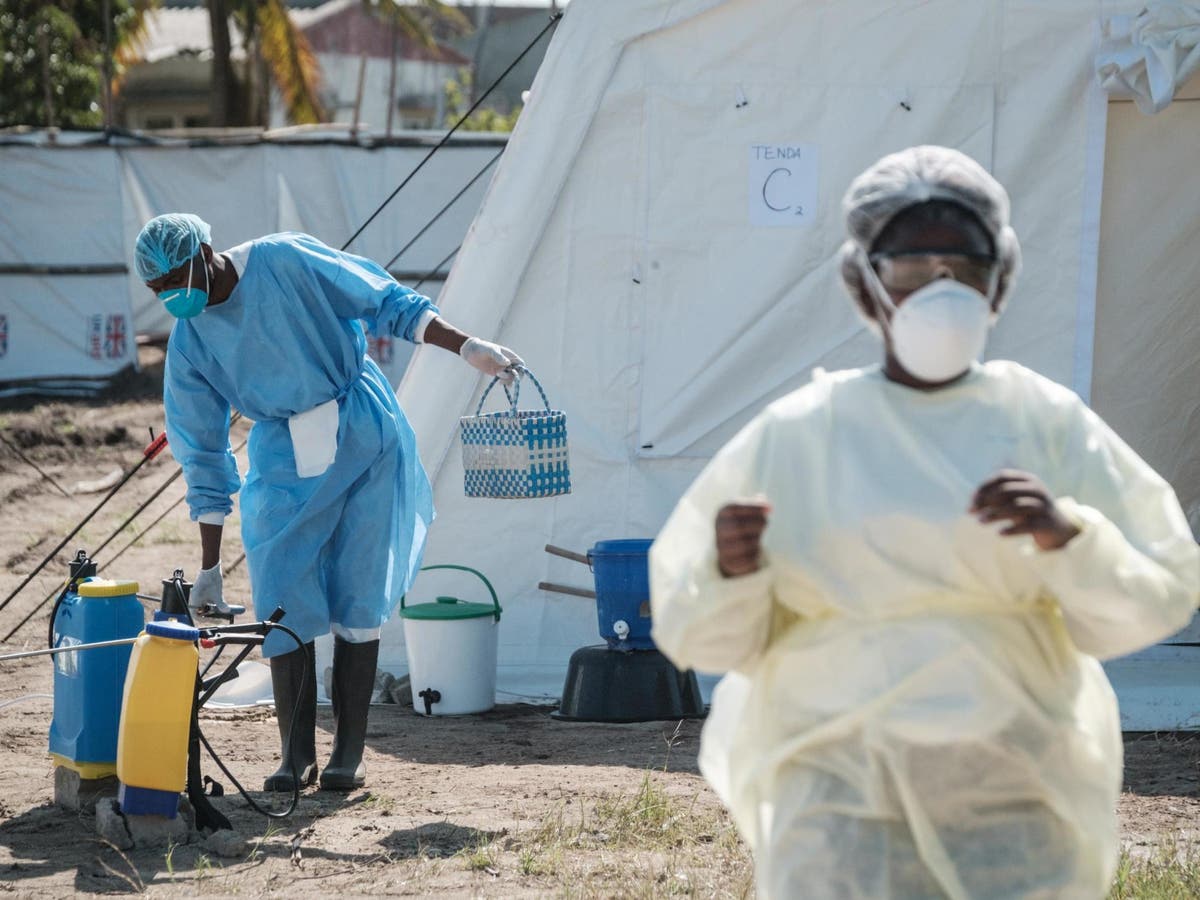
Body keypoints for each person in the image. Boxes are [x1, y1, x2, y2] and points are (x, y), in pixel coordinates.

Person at [649, 146, 1200, 898]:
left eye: (963, 267)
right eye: (912, 267)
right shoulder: (803, 433)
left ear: (999, 277)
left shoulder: (1042, 423)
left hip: (1013, 785)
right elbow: (700, 637)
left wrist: (1066, 540)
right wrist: (730, 573)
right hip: (839, 792)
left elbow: (1159, 592)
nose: (940, 289)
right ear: (864, 283)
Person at [134, 214, 523, 792]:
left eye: (176, 278)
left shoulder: (284, 261)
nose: (171, 295)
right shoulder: (192, 345)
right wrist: (210, 568)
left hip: (360, 435)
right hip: (281, 460)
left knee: (356, 596)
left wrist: (464, 345)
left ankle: (348, 753)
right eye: (158, 289)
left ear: (206, 252)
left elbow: (381, 299)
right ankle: (295, 756)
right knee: (282, 604)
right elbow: (204, 454)